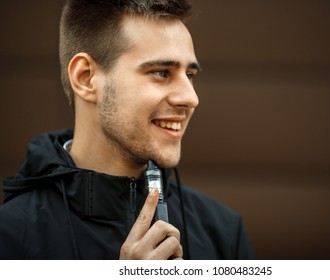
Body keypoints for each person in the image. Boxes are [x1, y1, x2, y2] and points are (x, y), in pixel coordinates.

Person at [0, 0, 255, 260]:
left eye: (189, 74)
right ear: (86, 78)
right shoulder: (10, 237)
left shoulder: (223, 233)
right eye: (161, 72)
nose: (191, 98)